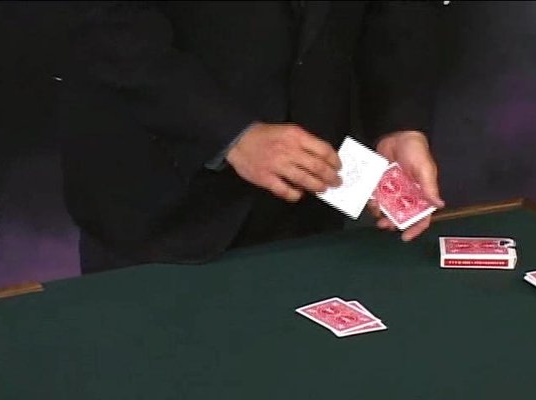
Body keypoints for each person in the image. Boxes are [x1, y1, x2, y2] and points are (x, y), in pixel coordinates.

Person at [56, 1, 445, 274]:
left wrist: (400, 122)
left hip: (307, 201)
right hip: (159, 205)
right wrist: (231, 133)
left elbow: (398, 10)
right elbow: (105, 21)